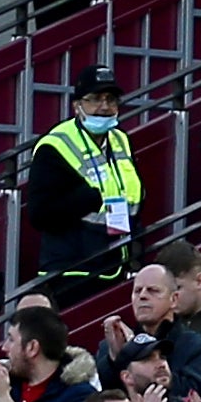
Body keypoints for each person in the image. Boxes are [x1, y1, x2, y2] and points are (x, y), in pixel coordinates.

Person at [19, 66, 141, 289]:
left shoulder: (120, 140)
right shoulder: (55, 145)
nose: (104, 107)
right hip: (71, 273)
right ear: (77, 106)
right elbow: (39, 214)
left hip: (116, 265)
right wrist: (85, 199)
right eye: (95, 99)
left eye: (111, 99)